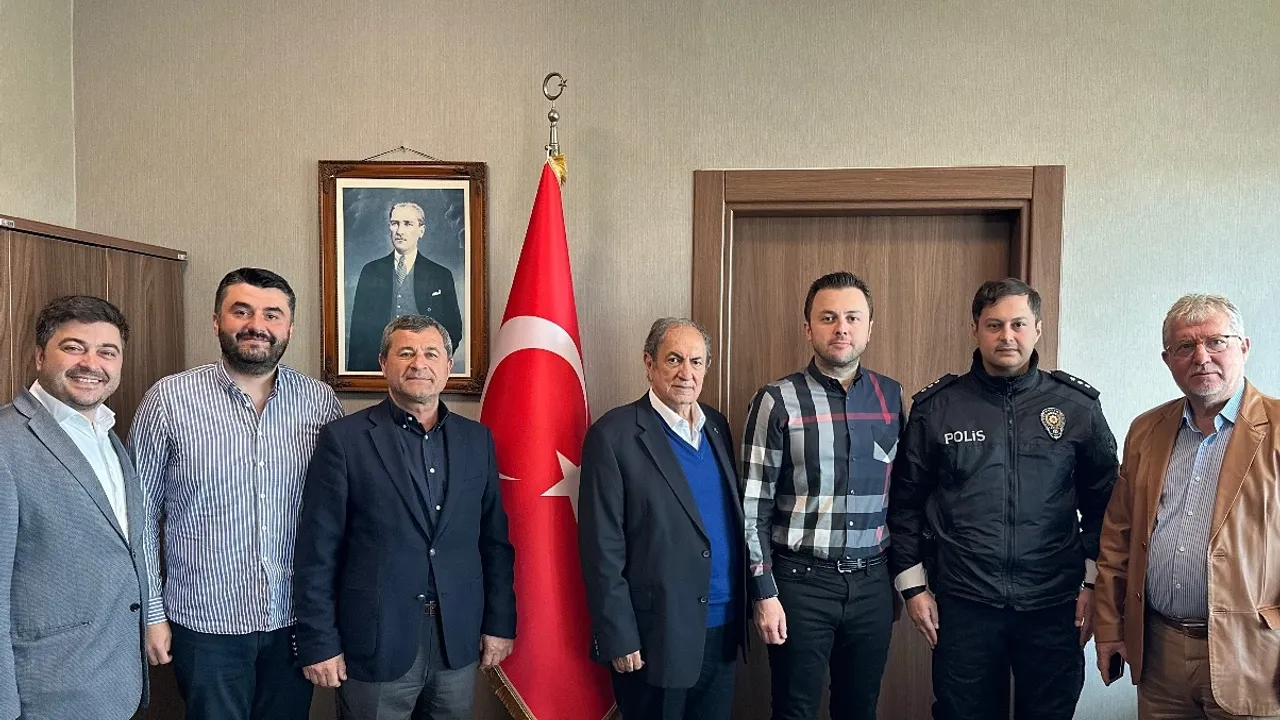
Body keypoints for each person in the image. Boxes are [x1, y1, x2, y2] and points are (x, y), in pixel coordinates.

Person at [888, 277, 1119, 720]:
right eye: (994, 325)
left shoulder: (1076, 407)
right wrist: (912, 587)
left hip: (1055, 603)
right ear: (974, 329)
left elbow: (1106, 504)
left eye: (1018, 324)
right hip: (965, 604)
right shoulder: (937, 408)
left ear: (1038, 329)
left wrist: (1095, 585)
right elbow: (904, 504)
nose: (1007, 336)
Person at [132, 268, 343, 720]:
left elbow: (336, 516)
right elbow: (140, 515)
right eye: (241, 311)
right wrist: (151, 614)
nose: (256, 325)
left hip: (293, 620)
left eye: (272, 314)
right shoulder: (168, 400)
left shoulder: (320, 402)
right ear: (216, 321)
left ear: (290, 328)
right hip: (205, 623)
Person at [294, 314, 516, 720]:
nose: (419, 364)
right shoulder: (344, 440)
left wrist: (500, 623)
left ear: (448, 365)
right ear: (383, 363)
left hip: (456, 640)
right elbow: (318, 551)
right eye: (406, 353)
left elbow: (494, 543)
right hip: (375, 641)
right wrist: (319, 640)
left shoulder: (476, 440)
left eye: (431, 353)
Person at [1094, 293, 1280, 719]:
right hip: (1159, 657)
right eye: (1185, 346)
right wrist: (1109, 627)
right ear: (1168, 360)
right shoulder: (1146, 430)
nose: (1201, 357)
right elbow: (1118, 537)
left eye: (1216, 341)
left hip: (1255, 654)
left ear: (1244, 347)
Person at [742, 272, 902, 720]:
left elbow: (903, 496)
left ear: (869, 327)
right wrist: (763, 591)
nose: (841, 328)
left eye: (852, 317)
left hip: (873, 584)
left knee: (860, 709)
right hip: (800, 585)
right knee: (794, 711)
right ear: (808, 328)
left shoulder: (891, 397)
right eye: (828, 318)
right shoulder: (776, 400)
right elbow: (753, 505)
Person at [579, 318, 747, 720]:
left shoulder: (717, 426)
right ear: (649, 363)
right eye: (674, 359)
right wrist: (618, 634)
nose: (686, 372)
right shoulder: (613, 435)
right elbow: (601, 548)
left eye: (696, 361)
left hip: (722, 628)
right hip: (655, 637)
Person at [0, 296, 149, 720]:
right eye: (73, 347)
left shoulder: (107, 435)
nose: (91, 363)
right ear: (39, 356)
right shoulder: (6, 443)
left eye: (107, 352)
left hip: (115, 684)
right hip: (44, 696)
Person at [347, 202, 464, 371]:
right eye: (395, 223)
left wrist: (433, 362)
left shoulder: (440, 275)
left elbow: (453, 330)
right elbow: (357, 333)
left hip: (423, 370)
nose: (399, 231)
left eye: (407, 224)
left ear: (421, 231)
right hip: (377, 369)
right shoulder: (370, 271)